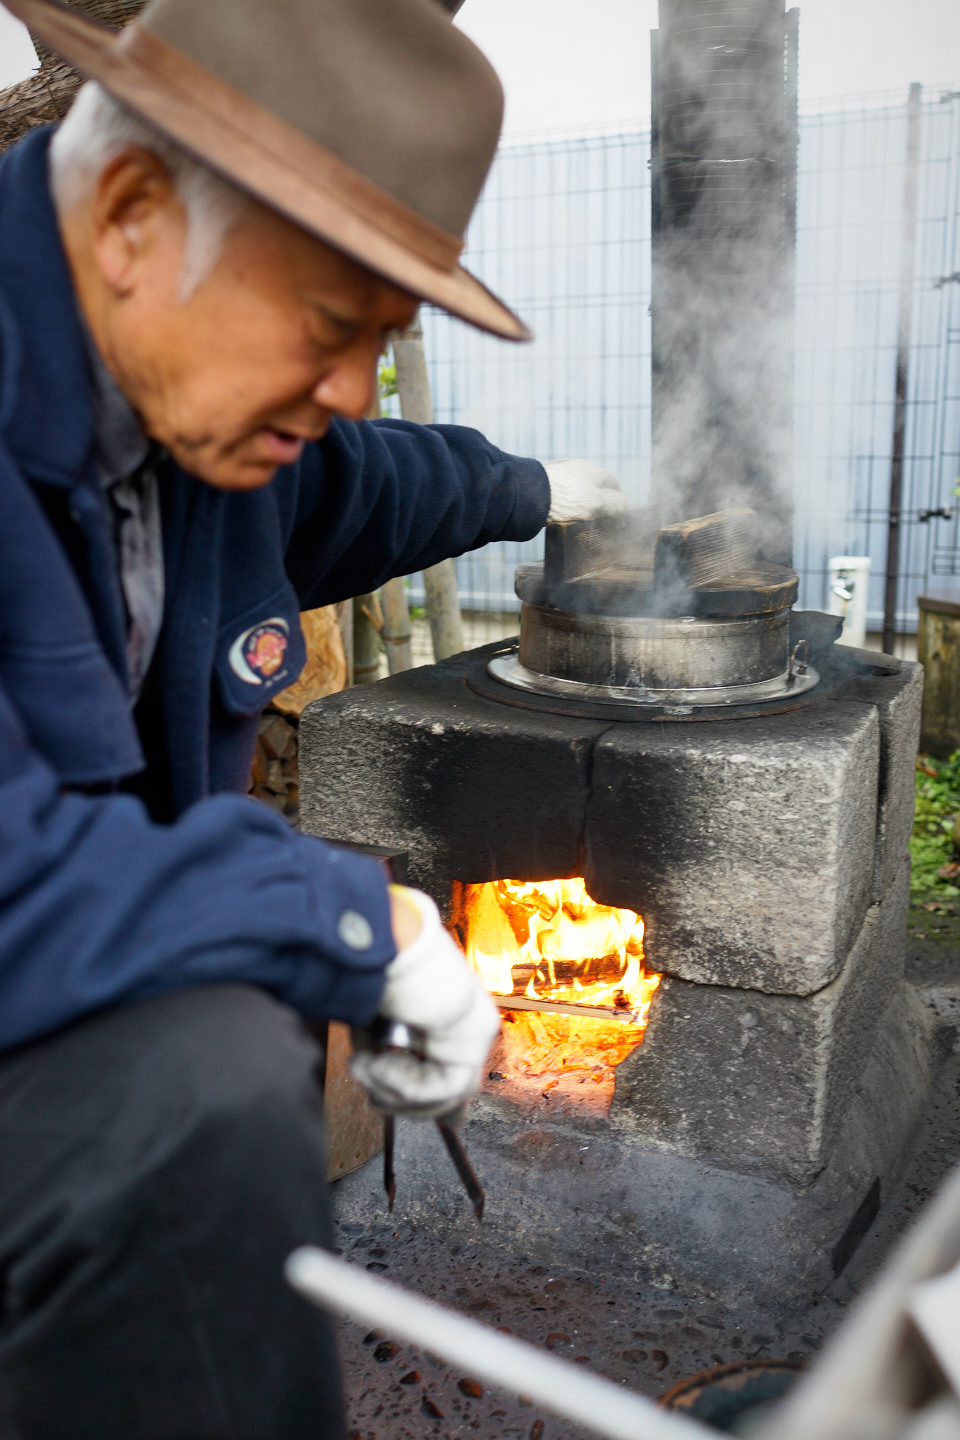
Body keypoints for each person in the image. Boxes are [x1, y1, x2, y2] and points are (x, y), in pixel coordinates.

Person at [0, 0, 626, 1433]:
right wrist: (367, 923)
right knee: (198, 1082)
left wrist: (542, 488)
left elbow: (375, 482)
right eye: (328, 326)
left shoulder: (190, 413)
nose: (346, 391)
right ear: (136, 215)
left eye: (382, 338)